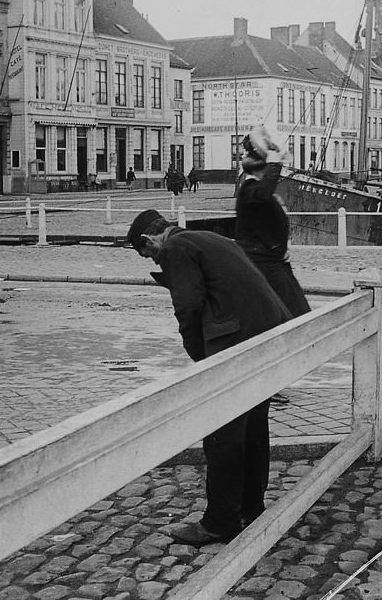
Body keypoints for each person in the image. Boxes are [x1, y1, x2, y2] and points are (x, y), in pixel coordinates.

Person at [127, 209, 292, 546]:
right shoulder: (210, 238)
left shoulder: (175, 249)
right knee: (254, 428)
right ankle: (250, 508)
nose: (156, 261)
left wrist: (199, 356)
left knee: (223, 436)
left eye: (148, 255)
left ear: (149, 239)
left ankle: (220, 522)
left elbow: (188, 305)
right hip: (267, 336)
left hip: (235, 345)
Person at [236, 127, 310, 407]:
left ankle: (269, 381)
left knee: (291, 319)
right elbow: (264, 197)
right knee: (273, 323)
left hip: (272, 263)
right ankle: (264, 384)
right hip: (261, 266)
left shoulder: (255, 188)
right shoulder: (251, 189)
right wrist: (276, 162)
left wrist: (282, 247)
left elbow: (266, 220)